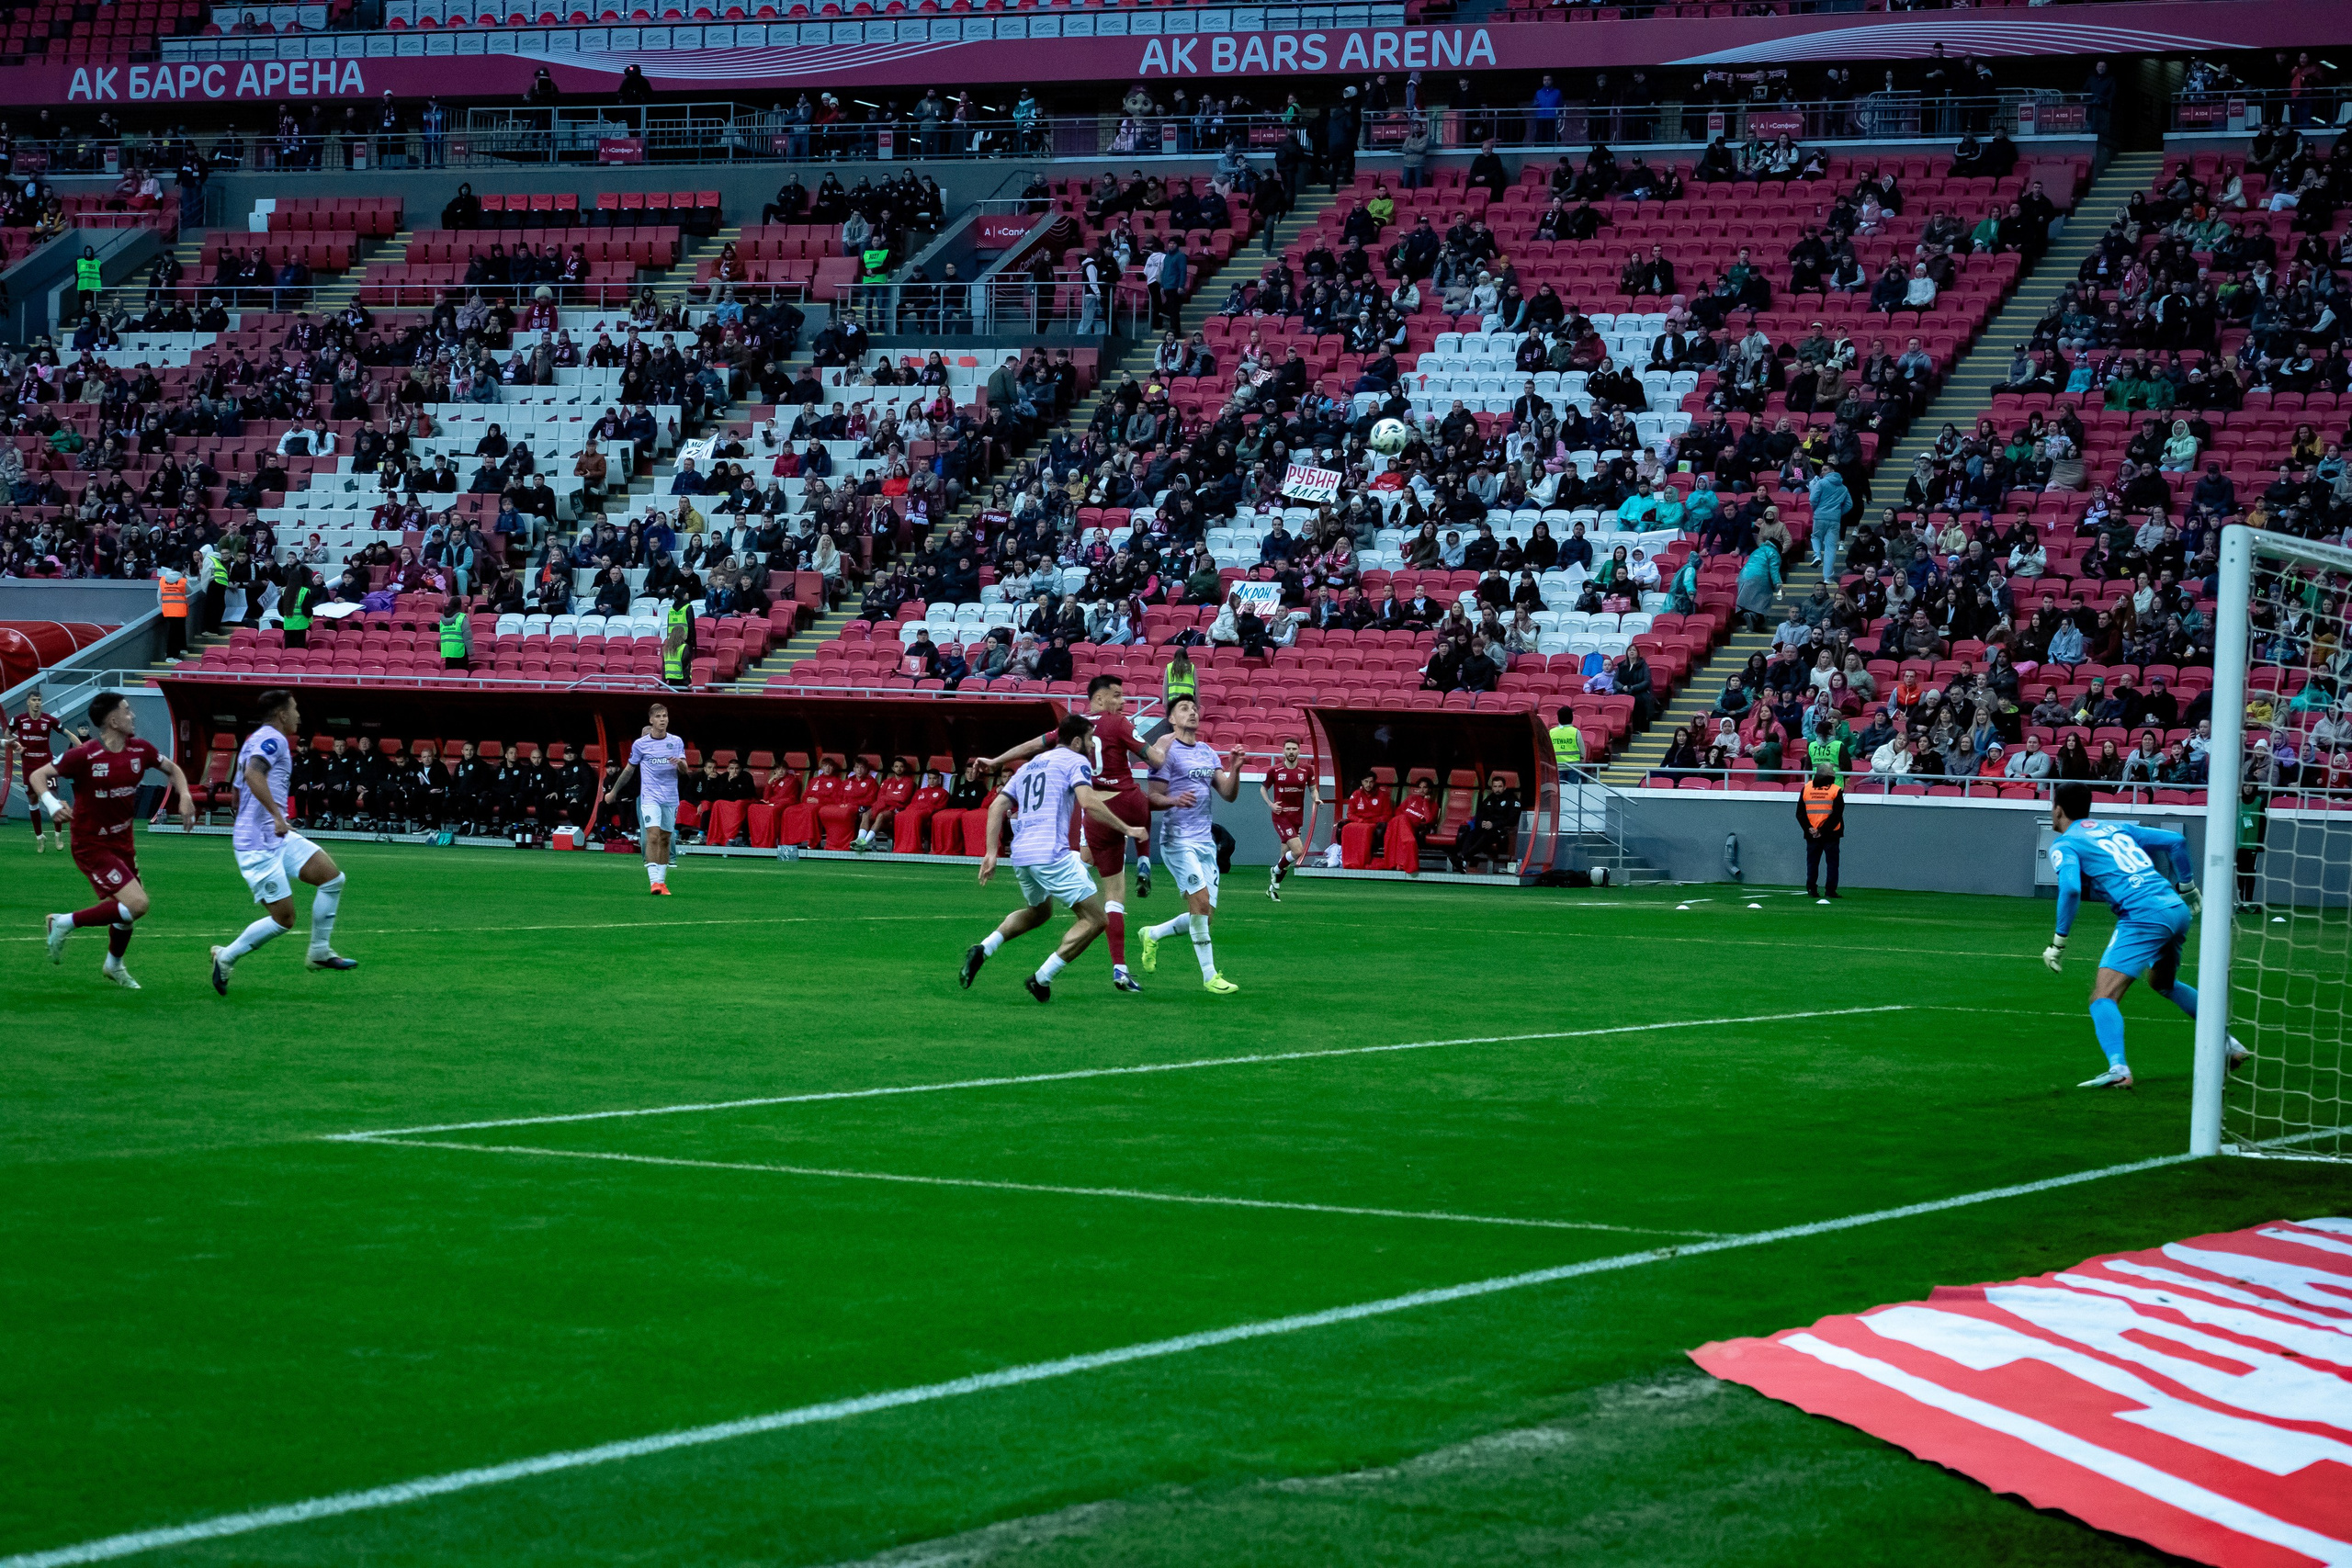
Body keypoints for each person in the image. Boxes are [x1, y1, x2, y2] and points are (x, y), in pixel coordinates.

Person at [2042, 781, 2246, 1090]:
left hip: (2143, 914)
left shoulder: (2066, 844)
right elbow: (2176, 841)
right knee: (2162, 983)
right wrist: (2188, 887)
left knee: (2103, 996)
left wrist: (2059, 942)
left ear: (2058, 810)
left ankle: (2119, 1069)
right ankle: (2228, 1043)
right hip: (2173, 907)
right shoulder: (2116, 828)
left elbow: (2070, 888)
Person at [972, 672, 1156, 990]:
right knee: (1098, 916)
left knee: (1039, 912)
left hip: (1022, 853)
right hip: (1056, 848)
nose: (1123, 701)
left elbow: (998, 802)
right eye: (1118, 695)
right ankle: (1044, 977)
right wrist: (1128, 827)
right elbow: (1090, 800)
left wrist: (990, 852)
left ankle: (984, 947)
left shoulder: (1034, 763)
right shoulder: (1078, 758)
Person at [35, 691, 197, 991]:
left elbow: (173, 769)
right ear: (112, 720)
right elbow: (37, 775)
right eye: (126, 710)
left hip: (123, 843)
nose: (132, 715)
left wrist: (184, 795)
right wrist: (52, 803)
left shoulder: (139, 750)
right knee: (137, 903)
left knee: (125, 910)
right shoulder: (84, 755)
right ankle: (64, 922)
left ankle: (113, 964)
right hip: (91, 845)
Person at [206, 690, 356, 992]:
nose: (299, 715)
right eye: (295, 709)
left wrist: (261, 818)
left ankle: (319, 952)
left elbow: (237, 790)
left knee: (331, 878)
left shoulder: (254, 739)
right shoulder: (271, 740)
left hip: (275, 835)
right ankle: (226, 956)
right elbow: (252, 774)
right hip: (260, 843)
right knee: (284, 919)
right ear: (281, 714)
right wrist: (275, 815)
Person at [1138, 696, 1245, 994]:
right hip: (1177, 840)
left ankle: (1152, 933)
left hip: (1204, 842)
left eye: (1195, 708)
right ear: (1171, 719)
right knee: (1198, 903)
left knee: (1205, 917)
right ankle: (1210, 976)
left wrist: (1235, 768)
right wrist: (1174, 799)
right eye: (1184, 708)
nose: (1193, 711)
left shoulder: (1208, 752)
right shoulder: (1165, 752)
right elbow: (1152, 797)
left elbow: (1229, 794)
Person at [605, 703, 689, 895]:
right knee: (652, 836)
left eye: (665, 716)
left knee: (666, 838)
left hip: (670, 797)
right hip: (650, 797)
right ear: (651, 720)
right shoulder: (640, 744)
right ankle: (653, 882)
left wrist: (679, 764)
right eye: (659, 716)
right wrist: (614, 792)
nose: (663, 719)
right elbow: (628, 770)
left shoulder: (676, 741)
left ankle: (662, 882)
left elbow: (686, 771)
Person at [10, 692, 87, 853]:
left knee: (53, 798)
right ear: (28, 702)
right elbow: (7, 735)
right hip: (28, 766)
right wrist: (15, 746)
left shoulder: (49, 720)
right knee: (32, 799)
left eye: (39, 700)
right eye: (34, 700)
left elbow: (68, 734)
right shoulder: (19, 720)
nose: (37, 703)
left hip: (47, 766)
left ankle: (58, 835)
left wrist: (82, 749)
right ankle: (40, 838)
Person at [1261, 736, 1312, 900]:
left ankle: (1271, 889)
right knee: (1298, 851)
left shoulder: (1306, 770)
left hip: (1297, 816)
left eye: (1294, 749)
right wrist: (1271, 804)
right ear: (1283, 751)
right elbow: (1263, 789)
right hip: (1281, 815)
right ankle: (1274, 870)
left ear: (1299, 751)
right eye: (1288, 749)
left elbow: (1314, 788)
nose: (1291, 751)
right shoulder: (1274, 770)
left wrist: (1316, 798)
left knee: (1285, 858)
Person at [1796, 763, 1844, 902]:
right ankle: (1830, 890)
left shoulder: (1806, 788)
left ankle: (1811, 888)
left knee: (1812, 862)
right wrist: (1822, 831)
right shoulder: (1835, 790)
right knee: (1832, 863)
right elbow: (1837, 815)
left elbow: (1800, 813)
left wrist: (1809, 828)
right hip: (1831, 833)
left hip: (1811, 834)